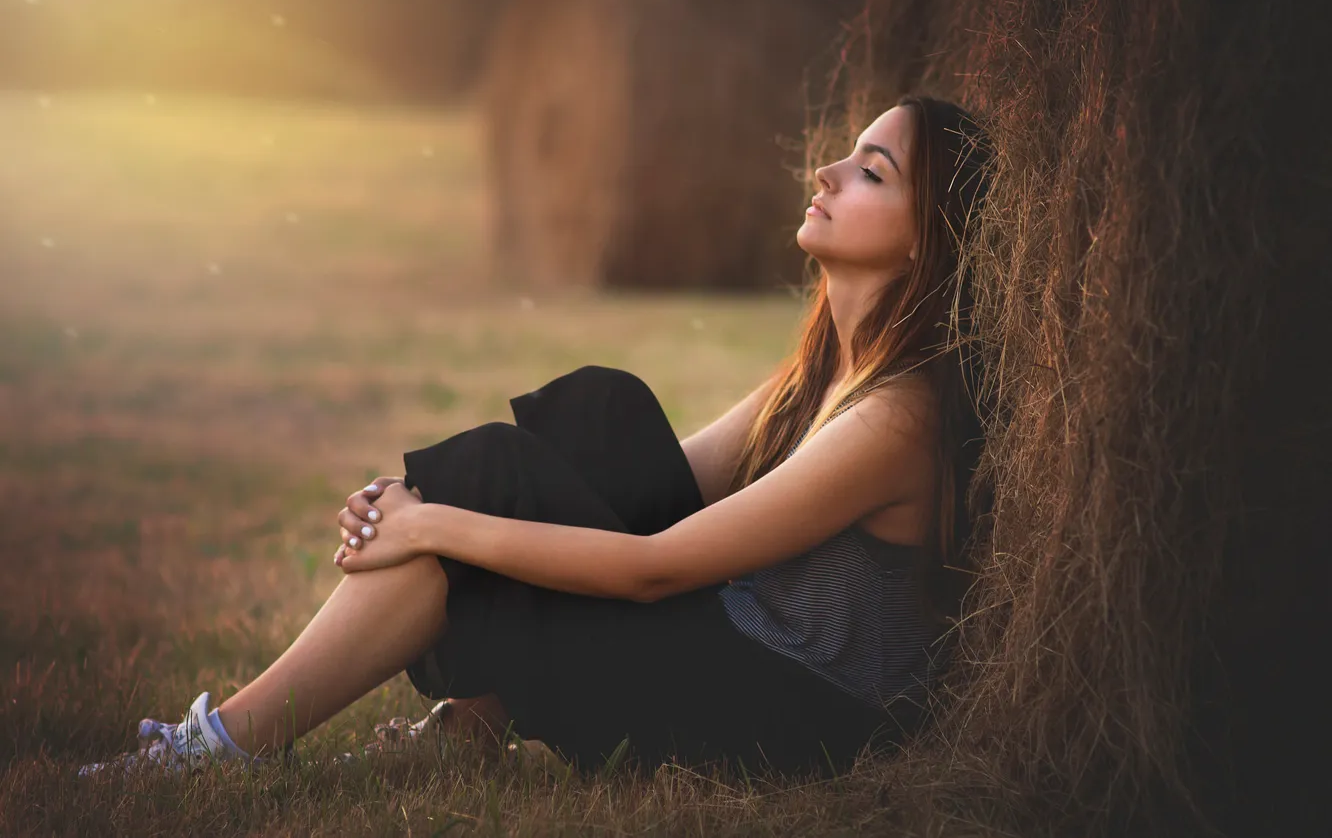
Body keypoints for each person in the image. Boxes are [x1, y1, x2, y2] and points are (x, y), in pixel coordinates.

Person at [79, 93, 994, 780]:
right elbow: (652, 482)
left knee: (498, 475)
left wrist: (436, 525)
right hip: (738, 656)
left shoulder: (898, 417)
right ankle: (462, 723)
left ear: (929, 242)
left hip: (798, 721)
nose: (829, 172)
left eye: (874, 172)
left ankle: (223, 745)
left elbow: (658, 567)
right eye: (847, 156)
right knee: (603, 409)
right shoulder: (821, 379)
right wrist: (444, 510)